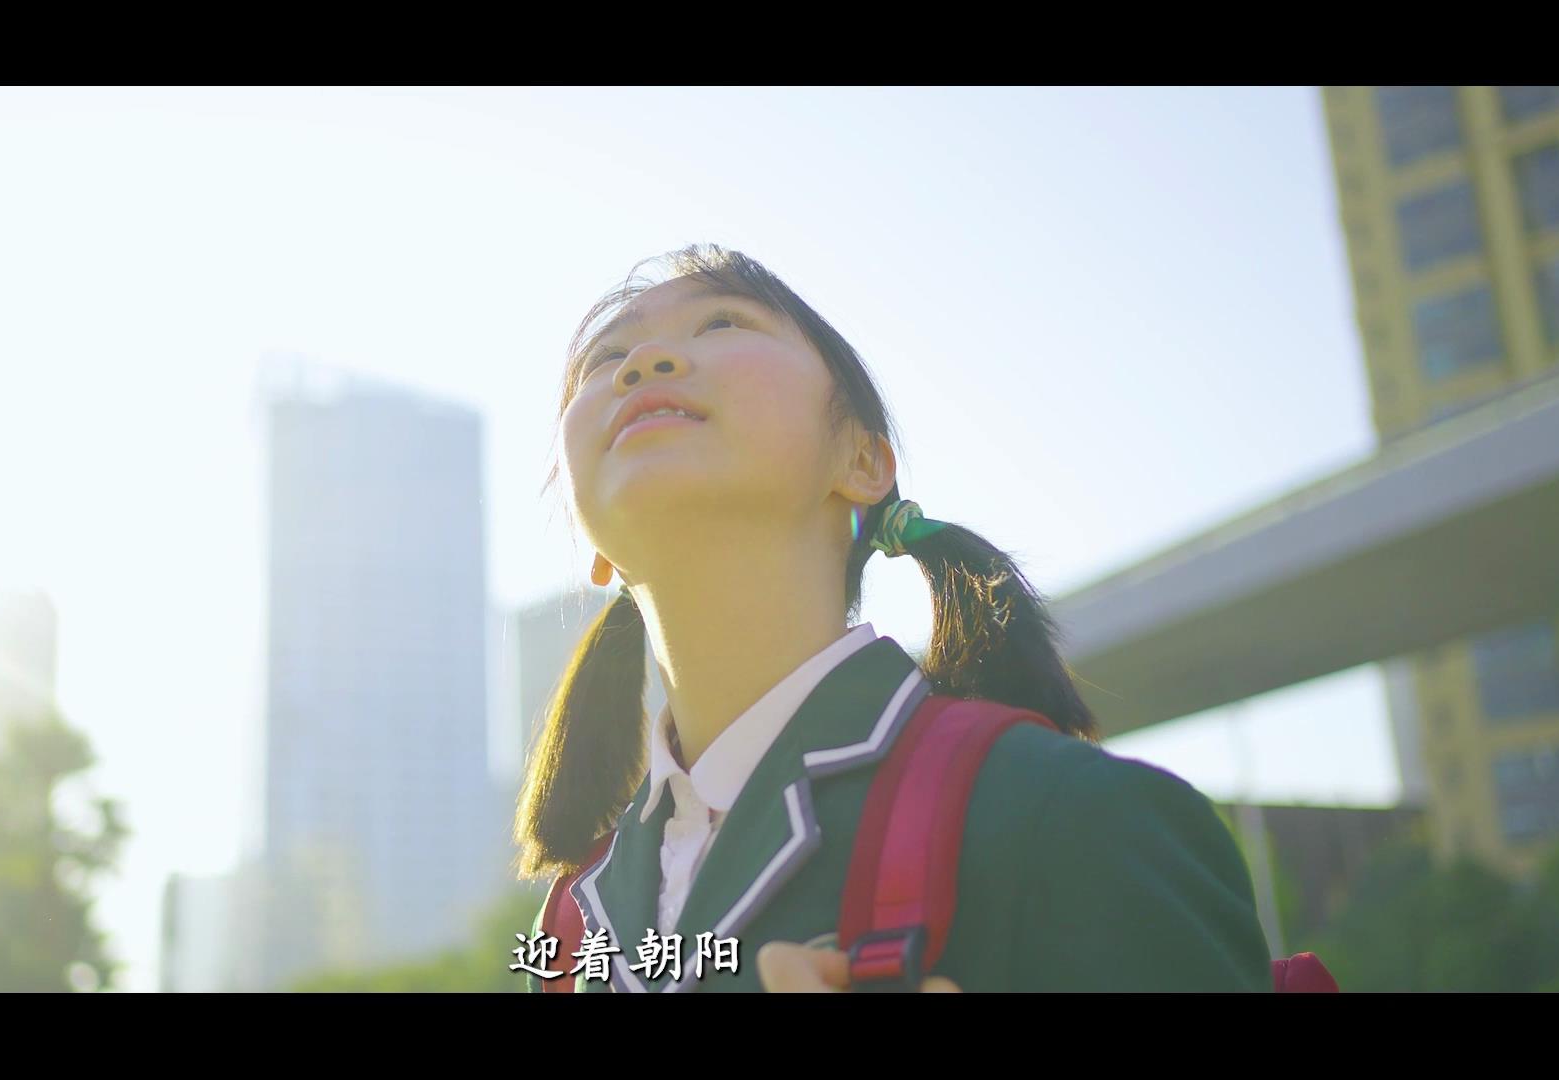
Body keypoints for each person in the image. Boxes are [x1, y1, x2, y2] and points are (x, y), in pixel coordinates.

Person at [513, 244, 1272, 993]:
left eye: (720, 323)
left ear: (864, 463)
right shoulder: (571, 925)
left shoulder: (1072, 814)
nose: (642, 363)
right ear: (595, 550)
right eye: (607, 359)